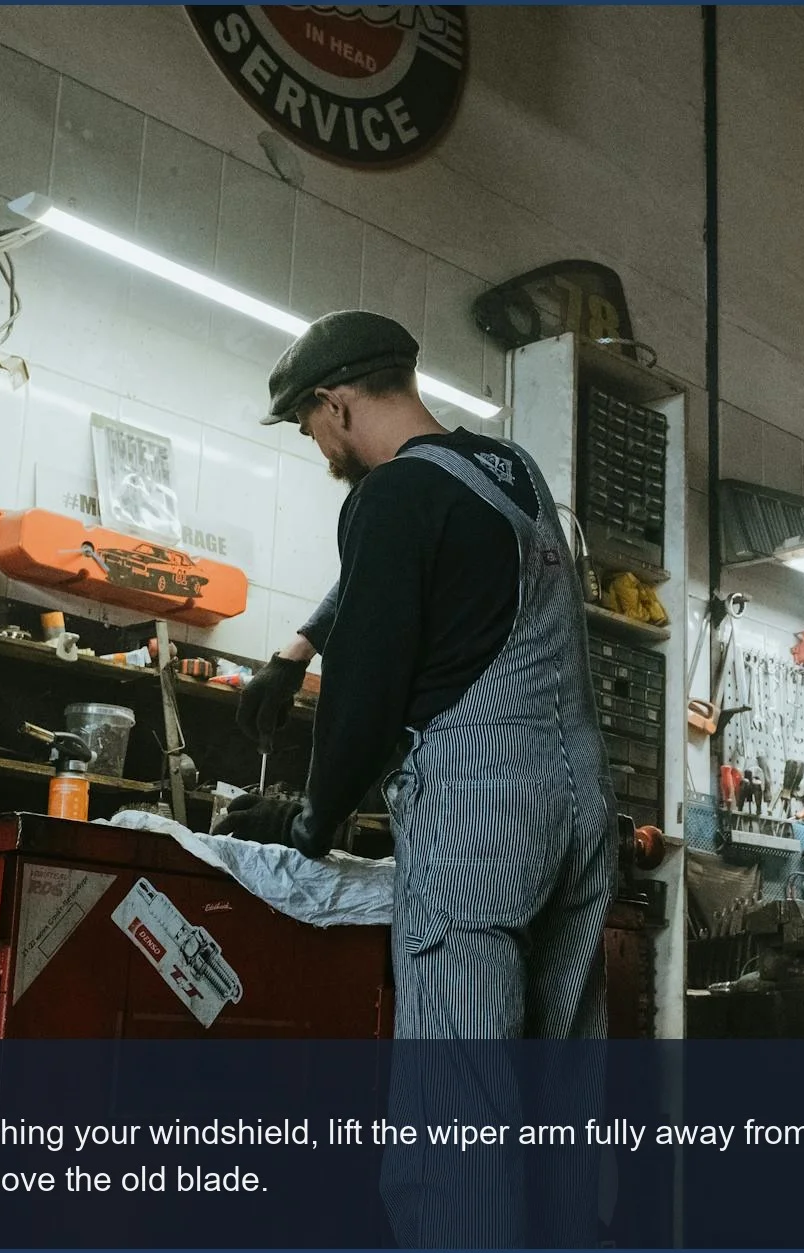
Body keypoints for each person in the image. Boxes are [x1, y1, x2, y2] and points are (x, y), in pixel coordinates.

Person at [218, 310, 616, 1044]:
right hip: (582, 807)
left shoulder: (389, 494)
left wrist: (310, 816)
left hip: (484, 819)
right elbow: (411, 573)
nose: (318, 444)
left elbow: (363, 693)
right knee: (561, 1086)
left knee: (459, 1099)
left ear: (336, 401)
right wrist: (296, 649)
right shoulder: (510, 471)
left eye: (310, 425)